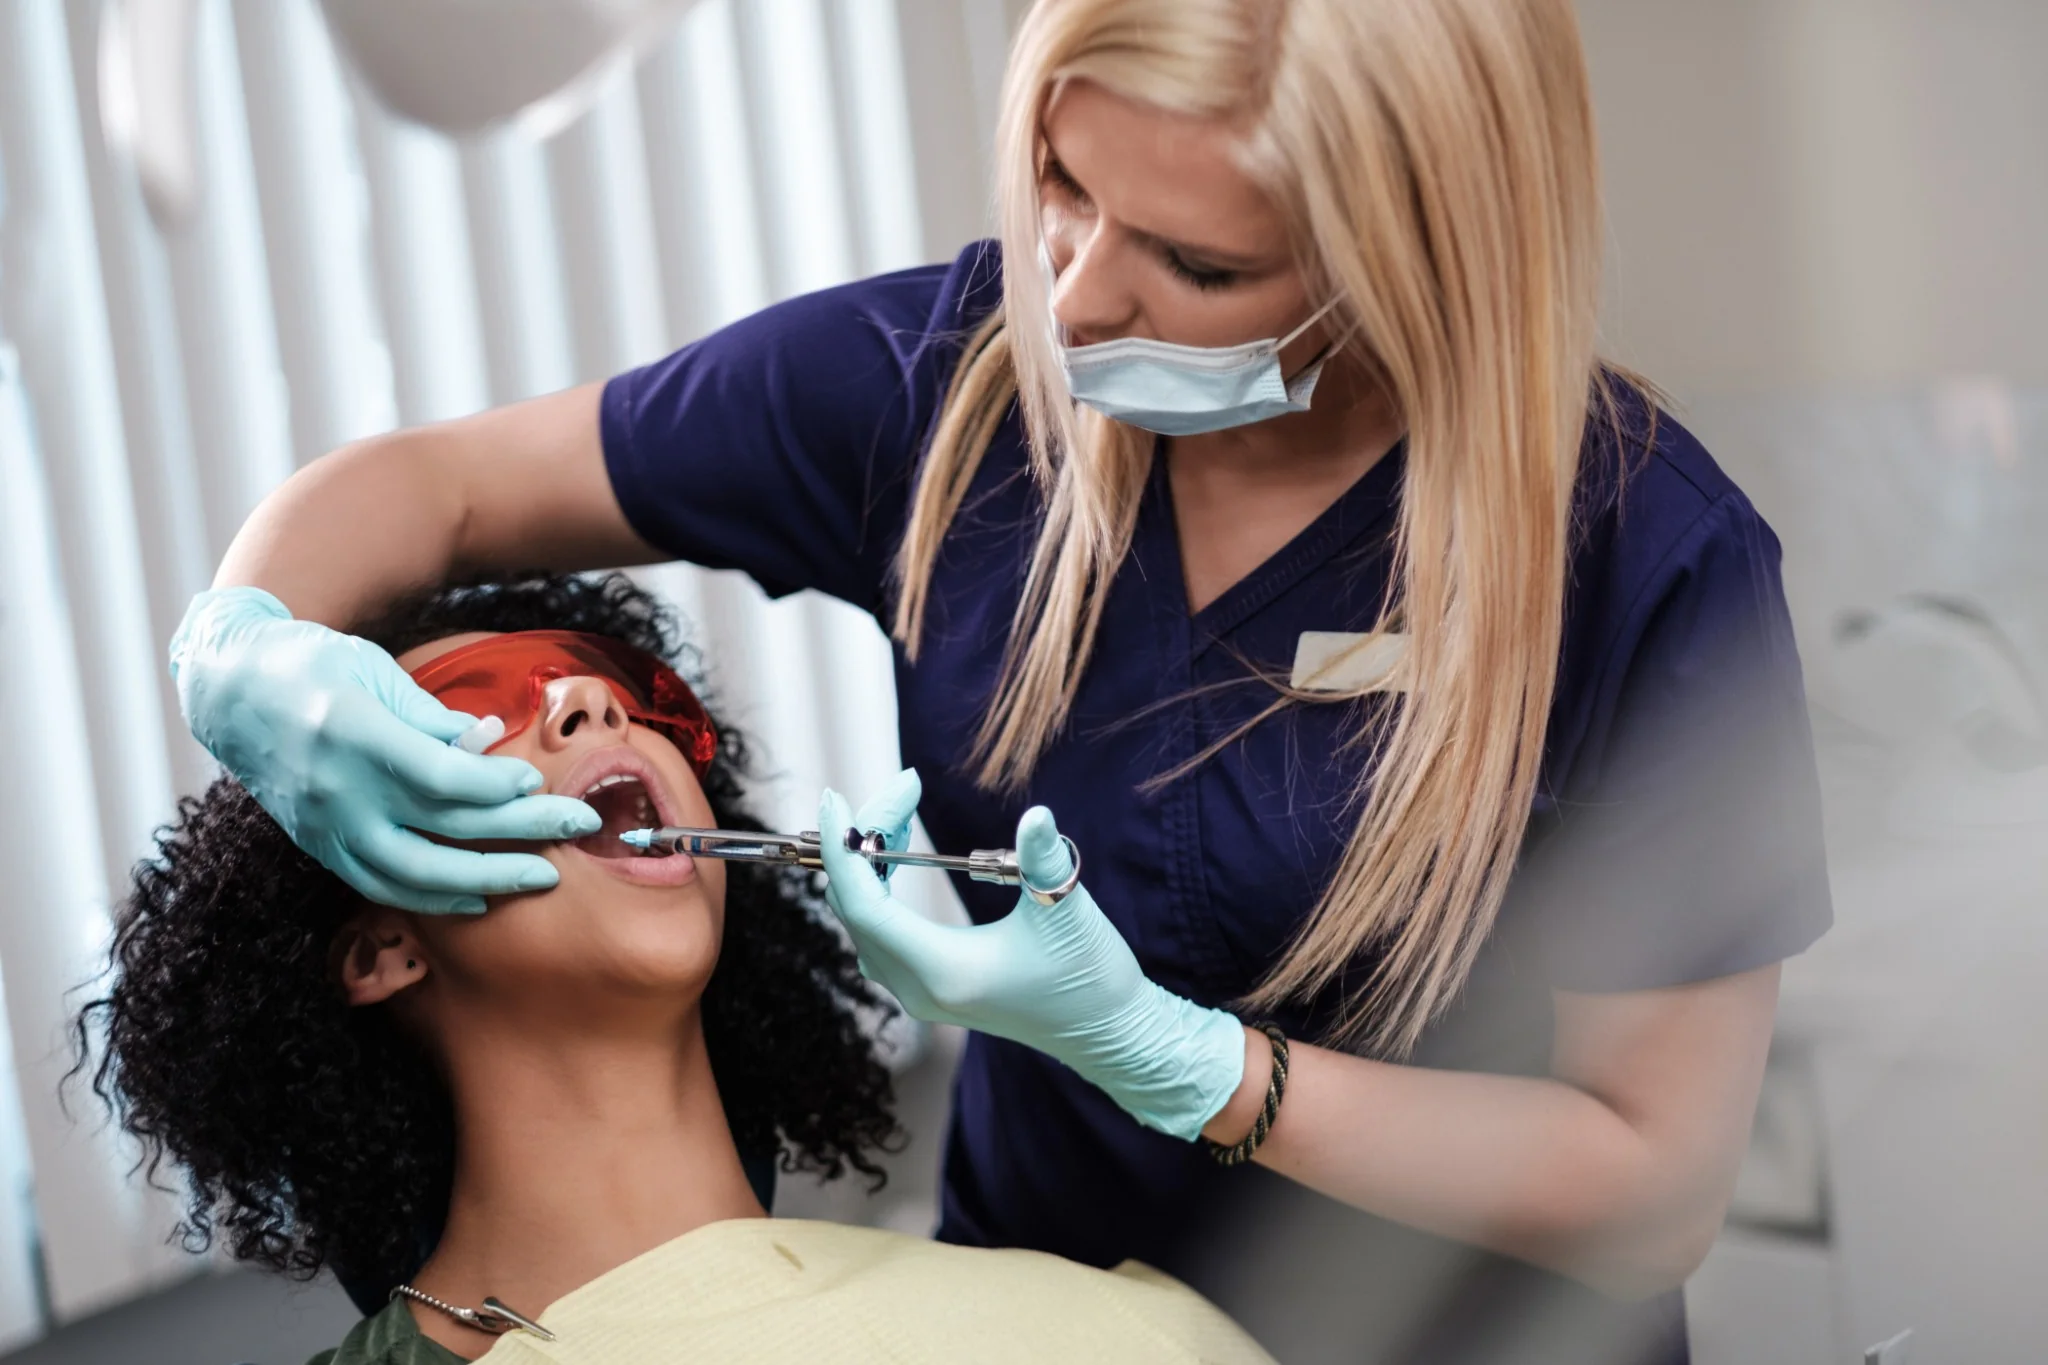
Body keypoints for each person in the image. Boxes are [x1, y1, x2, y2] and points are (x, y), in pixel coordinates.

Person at [164, 1, 1832, 1359]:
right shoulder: (941, 392)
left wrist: (1195, 1069)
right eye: (1057, 180)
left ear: (1406, 258)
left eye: (1195, 266)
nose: (1077, 292)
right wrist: (241, 645)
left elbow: (1648, 1182)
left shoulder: (1640, 560)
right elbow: (435, 489)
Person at [80, 572, 1275, 1364]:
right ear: (381, 946)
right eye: (472, 710)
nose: (590, 702)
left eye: (622, 689)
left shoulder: (1120, 1338)